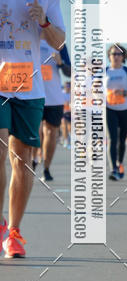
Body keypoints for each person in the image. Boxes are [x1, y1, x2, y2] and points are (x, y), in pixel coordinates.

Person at [0, 0, 65, 257]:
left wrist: (43, 22)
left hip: (29, 83)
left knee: (21, 160)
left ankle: (14, 231)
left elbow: (59, 41)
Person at [105, 44, 127, 180]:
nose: (116, 57)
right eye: (114, 54)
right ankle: (113, 169)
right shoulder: (104, 72)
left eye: (119, 54)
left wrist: (125, 92)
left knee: (121, 139)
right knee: (112, 139)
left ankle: (120, 163)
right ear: (109, 56)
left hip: (125, 109)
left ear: (123, 57)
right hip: (109, 109)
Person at [38, 38, 71, 181]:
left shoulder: (59, 43)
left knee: (51, 133)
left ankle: (46, 168)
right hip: (32, 95)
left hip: (54, 98)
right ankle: (34, 158)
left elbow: (70, 72)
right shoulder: (27, 36)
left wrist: (60, 63)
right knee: (36, 132)